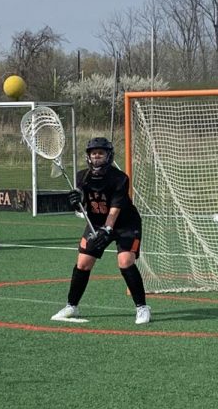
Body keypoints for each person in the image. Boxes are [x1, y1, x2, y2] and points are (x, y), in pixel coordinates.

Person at [52, 137, 151, 325]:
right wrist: (76, 200)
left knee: (125, 261)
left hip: (125, 223)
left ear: (108, 156)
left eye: (101, 153)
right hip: (96, 223)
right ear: (88, 157)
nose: (97, 156)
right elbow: (81, 202)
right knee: (83, 263)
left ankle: (142, 307)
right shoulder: (82, 176)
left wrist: (107, 229)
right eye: (93, 153)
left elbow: (115, 208)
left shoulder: (119, 178)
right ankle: (72, 306)